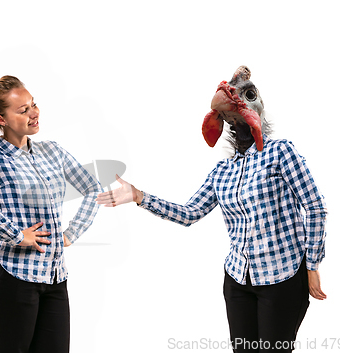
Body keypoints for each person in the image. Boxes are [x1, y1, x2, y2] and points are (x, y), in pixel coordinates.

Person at [96, 67, 327, 352]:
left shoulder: (281, 153)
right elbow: (190, 212)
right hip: (238, 280)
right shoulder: (222, 171)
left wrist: (312, 266)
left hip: (282, 279)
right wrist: (139, 196)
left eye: (247, 94)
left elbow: (315, 207)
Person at [0, 75, 102, 353]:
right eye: (23, 110)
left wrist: (70, 234)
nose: (34, 113)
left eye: (33, 104)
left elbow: (93, 189)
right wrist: (16, 235)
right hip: (11, 275)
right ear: (1, 119)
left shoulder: (53, 152)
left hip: (53, 276)